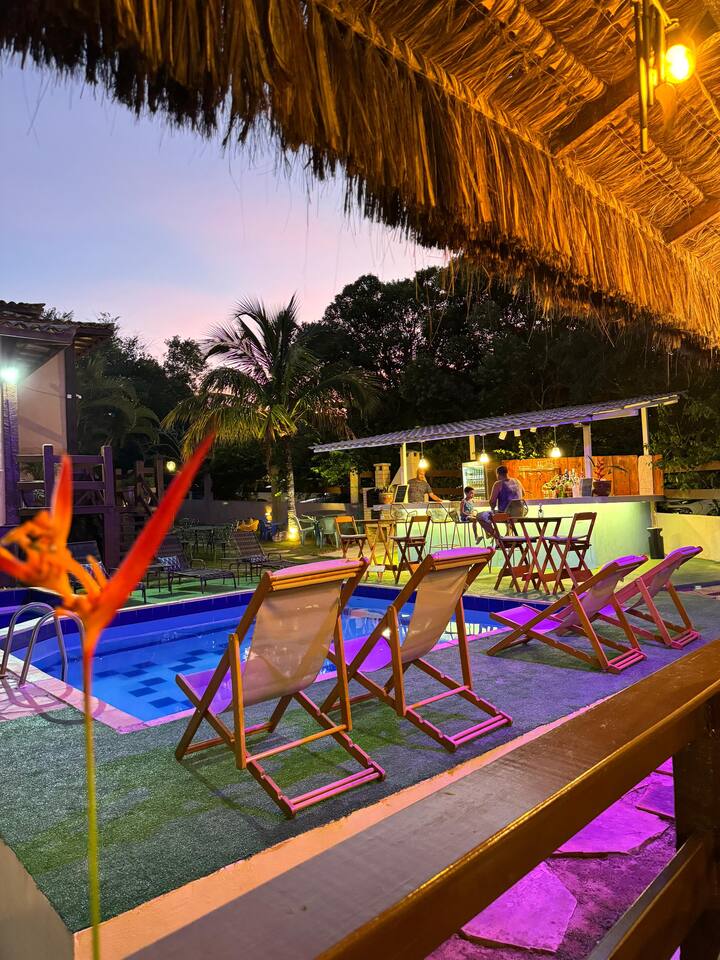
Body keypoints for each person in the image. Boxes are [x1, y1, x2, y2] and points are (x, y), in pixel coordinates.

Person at [479, 465, 525, 536]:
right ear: (507, 472)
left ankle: (496, 536)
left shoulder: (498, 484)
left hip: (506, 514)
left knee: (480, 516)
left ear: (497, 474)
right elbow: (523, 494)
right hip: (520, 513)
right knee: (507, 510)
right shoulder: (517, 481)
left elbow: (492, 502)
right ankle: (508, 532)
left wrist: (492, 507)